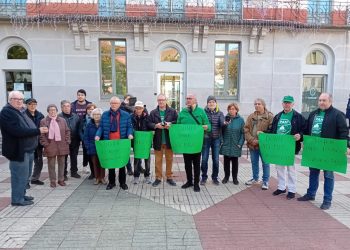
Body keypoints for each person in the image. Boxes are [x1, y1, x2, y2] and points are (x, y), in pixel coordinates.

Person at [298, 93, 349, 210]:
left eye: (324, 100)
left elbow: (343, 132)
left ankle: (327, 200)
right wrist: (303, 140)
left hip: (329, 152)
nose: (321, 102)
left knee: (328, 175)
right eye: (320, 100)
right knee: (313, 173)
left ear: (330, 101)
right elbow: (306, 130)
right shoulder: (313, 114)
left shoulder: (338, 115)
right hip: (314, 151)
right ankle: (311, 194)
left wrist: (345, 146)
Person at [0, 91, 48, 206]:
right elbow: (16, 131)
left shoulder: (20, 111)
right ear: (10, 100)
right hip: (18, 151)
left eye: (21, 99)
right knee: (18, 176)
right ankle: (17, 199)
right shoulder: (7, 112)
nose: (19, 101)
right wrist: (38, 131)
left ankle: (22, 194)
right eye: (16, 99)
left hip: (28, 149)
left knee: (25, 175)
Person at [268, 96, 306, 199]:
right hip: (279, 146)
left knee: (291, 169)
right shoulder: (278, 116)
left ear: (293, 104)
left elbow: (305, 130)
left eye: (289, 103)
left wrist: (300, 136)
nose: (287, 104)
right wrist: (264, 134)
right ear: (282, 104)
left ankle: (292, 190)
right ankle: (281, 187)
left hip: (290, 147)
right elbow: (272, 130)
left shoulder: (298, 117)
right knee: (279, 168)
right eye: (285, 102)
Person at [95, 96, 133, 190]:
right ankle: (111, 183)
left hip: (121, 143)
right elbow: (101, 127)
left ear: (119, 104)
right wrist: (98, 135)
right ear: (110, 104)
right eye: (112, 103)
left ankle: (122, 183)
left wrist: (129, 134)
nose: (113, 105)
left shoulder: (126, 115)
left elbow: (129, 127)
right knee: (110, 163)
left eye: (115, 103)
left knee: (121, 164)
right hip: (109, 143)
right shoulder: (105, 115)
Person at [177, 94, 211, 192]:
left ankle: (196, 183)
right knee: (187, 164)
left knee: (196, 164)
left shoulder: (201, 111)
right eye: (187, 98)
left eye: (190, 98)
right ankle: (189, 181)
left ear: (195, 100)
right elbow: (178, 126)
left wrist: (206, 127)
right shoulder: (183, 112)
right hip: (186, 143)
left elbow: (209, 126)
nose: (188, 100)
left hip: (197, 143)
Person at [147, 94, 178, 187]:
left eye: (163, 100)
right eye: (159, 100)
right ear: (157, 101)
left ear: (166, 100)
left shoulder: (172, 111)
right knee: (158, 160)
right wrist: (156, 125)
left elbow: (177, 121)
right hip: (158, 140)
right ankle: (158, 178)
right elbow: (148, 123)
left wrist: (170, 124)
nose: (161, 102)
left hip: (169, 140)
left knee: (169, 159)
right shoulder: (153, 112)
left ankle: (169, 177)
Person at [244, 98, 273, 190]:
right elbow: (246, 129)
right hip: (253, 144)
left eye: (259, 104)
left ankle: (265, 181)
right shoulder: (251, 116)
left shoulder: (270, 117)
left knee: (265, 163)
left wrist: (262, 138)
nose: (257, 105)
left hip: (264, 145)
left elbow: (272, 130)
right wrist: (252, 140)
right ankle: (255, 178)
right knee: (254, 162)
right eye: (255, 104)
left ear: (263, 105)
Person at [40, 104, 70, 188]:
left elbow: (67, 131)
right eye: (50, 110)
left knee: (62, 163)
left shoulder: (62, 120)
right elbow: (41, 135)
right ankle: (52, 181)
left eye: (54, 110)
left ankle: (61, 180)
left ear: (57, 111)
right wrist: (45, 144)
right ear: (48, 111)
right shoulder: (44, 121)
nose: (52, 111)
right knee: (51, 164)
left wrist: (67, 141)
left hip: (62, 144)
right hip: (50, 145)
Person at [200, 95, 224, 186]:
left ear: (216, 103)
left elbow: (222, 123)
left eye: (213, 102)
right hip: (205, 139)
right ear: (207, 103)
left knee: (216, 159)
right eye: (209, 102)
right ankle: (204, 177)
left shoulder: (220, 113)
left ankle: (215, 177)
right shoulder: (203, 112)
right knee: (204, 159)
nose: (211, 103)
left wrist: (225, 123)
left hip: (216, 139)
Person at [220, 103, 245, 185]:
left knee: (235, 163)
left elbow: (242, 133)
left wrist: (240, 143)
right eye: (230, 109)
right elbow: (220, 131)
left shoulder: (241, 120)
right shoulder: (224, 118)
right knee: (226, 162)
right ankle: (226, 177)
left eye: (233, 109)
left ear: (236, 110)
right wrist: (222, 141)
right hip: (226, 143)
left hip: (235, 144)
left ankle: (235, 178)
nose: (231, 110)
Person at [71, 89, 92, 175]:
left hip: (84, 131)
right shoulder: (73, 105)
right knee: (74, 151)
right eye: (79, 95)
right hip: (75, 130)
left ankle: (84, 166)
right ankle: (73, 169)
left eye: (82, 95)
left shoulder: (89, 104)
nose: (80, 96)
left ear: (85, 96)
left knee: (86, 150)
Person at [25, 98, 45, 186]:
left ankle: (35, 178)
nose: (32, 106)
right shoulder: (23, 115)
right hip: (27, 143)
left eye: (34, 104)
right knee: (27, 163)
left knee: (39, 162)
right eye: (30, 104)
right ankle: (25, 182)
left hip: (38, 143)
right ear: (26, 105)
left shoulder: (40, 115)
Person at [59, 100, 81, 179]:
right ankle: (64, 174)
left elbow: (79, 127)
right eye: (64, 106)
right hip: (64, 141)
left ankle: (74, 172)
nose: (66, 108)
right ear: (61, 108)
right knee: (64, 158)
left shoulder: (76, 116)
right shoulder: (59, 117)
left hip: (75, 140)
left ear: (70, 107)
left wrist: (79, 138)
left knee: (74, 156)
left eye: (68, 106)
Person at [131, 101, 152, 184]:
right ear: (135, 109)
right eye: (136, 108)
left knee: (147, 160)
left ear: (143, 109)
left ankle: (147, 176)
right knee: (136, 160)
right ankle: (136, 176)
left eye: (140, 108)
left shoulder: (147, 117)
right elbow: (130, 126)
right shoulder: (131, 117)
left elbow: (150, 125)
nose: (138, 110)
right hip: (136, 142)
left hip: (145, 142)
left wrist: (152, 130)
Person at [83, 108, 106, 185]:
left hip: (102, 147)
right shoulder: (89, 125)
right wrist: (88, 146)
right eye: (95, 114)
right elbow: (85, 137)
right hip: (92, 147)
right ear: (92, 115)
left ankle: (102, 177)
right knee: (95, 163)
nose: (97, 116)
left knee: (102, 163)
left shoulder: (103, 124)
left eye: (98, 114)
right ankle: (97, 178)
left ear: (101, 115)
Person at [79, 103, 97, 179]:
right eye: (89, 109)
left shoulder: (97, 118)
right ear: (86, 110)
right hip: (86, 141)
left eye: (92, 109)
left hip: (96, 141)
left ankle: (98, 173)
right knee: (89, 158)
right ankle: (92, 173)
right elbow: (79, 130)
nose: (90, 110)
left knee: (96, 158)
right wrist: (83, 139)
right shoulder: (83, 119)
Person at [120, 93, 136, 175]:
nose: (129, 100)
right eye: (127, 99)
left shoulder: (134, 106)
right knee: (126, 151)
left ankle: (138, 167)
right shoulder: (121, 106)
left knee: (137, 150)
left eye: (130, 99)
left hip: (134, 131)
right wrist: (124, 104)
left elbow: (134, 111)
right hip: (125, 132)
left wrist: (128, 105)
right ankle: (129, 168)